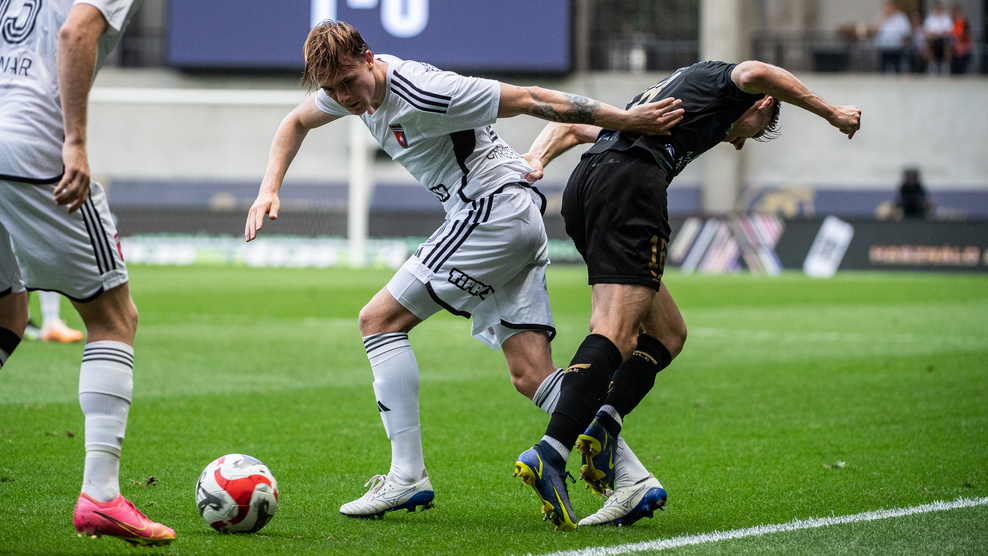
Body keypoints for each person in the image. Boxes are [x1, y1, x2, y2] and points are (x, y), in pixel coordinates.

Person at [244, 20, 683, 526]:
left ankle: (407, 476)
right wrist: (268, 189)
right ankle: (632, 478)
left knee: (378, 321)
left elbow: (533, 97)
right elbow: (294, 122)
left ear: (369, 58)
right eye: (332, 89)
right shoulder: (351, 92)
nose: (343, 97)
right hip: (508, 216)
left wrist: (626, 120)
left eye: (348, 82)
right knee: (531, 374)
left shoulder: (426, 91)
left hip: (492, 212)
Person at [519, 60, 861, 529]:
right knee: (616, 333)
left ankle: (604, 425)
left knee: (668, 333)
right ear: (762, 104)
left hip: (589, 185)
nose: (739, 141)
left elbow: (580, 126)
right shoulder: (728, 84)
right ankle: (551, 452)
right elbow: (758, 71)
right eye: (754, 131)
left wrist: (537, 156)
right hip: (629, 184)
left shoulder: (675, 94)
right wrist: (831, 112)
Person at [0, 0, 175, 547]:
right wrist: (73, 141)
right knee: (113, 318)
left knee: (7, 313)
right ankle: (101, 496)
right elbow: (76, 32)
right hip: (31, 151)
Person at [873, 0, 912, 73]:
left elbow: (907, 32)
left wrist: (904, 42)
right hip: (883, 48)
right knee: (883, 69)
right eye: (886, 6)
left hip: (897, 48)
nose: (888, 8)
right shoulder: (880, 17)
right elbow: (874, 31)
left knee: (897, 69)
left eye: (890, 6)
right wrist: (883, 19)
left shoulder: (901, 17)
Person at [924, 2, 954, 74]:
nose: (938, 11)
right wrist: (938, 34)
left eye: (939, 9)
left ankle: (945, 66)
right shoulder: (930, 19)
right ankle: (932, 66)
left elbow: (949, 32)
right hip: (933, 40)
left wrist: (938, 34)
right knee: (928, 43)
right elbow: (928, 33)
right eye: (937, 9)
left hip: (944, 40)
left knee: (947, 43)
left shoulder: (946, 18)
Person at [949, 3, 973, 74]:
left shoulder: (961, 21)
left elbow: (960, 35)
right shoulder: (951, 21)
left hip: (961, 49)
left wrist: (962, 47)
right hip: (954, 47)